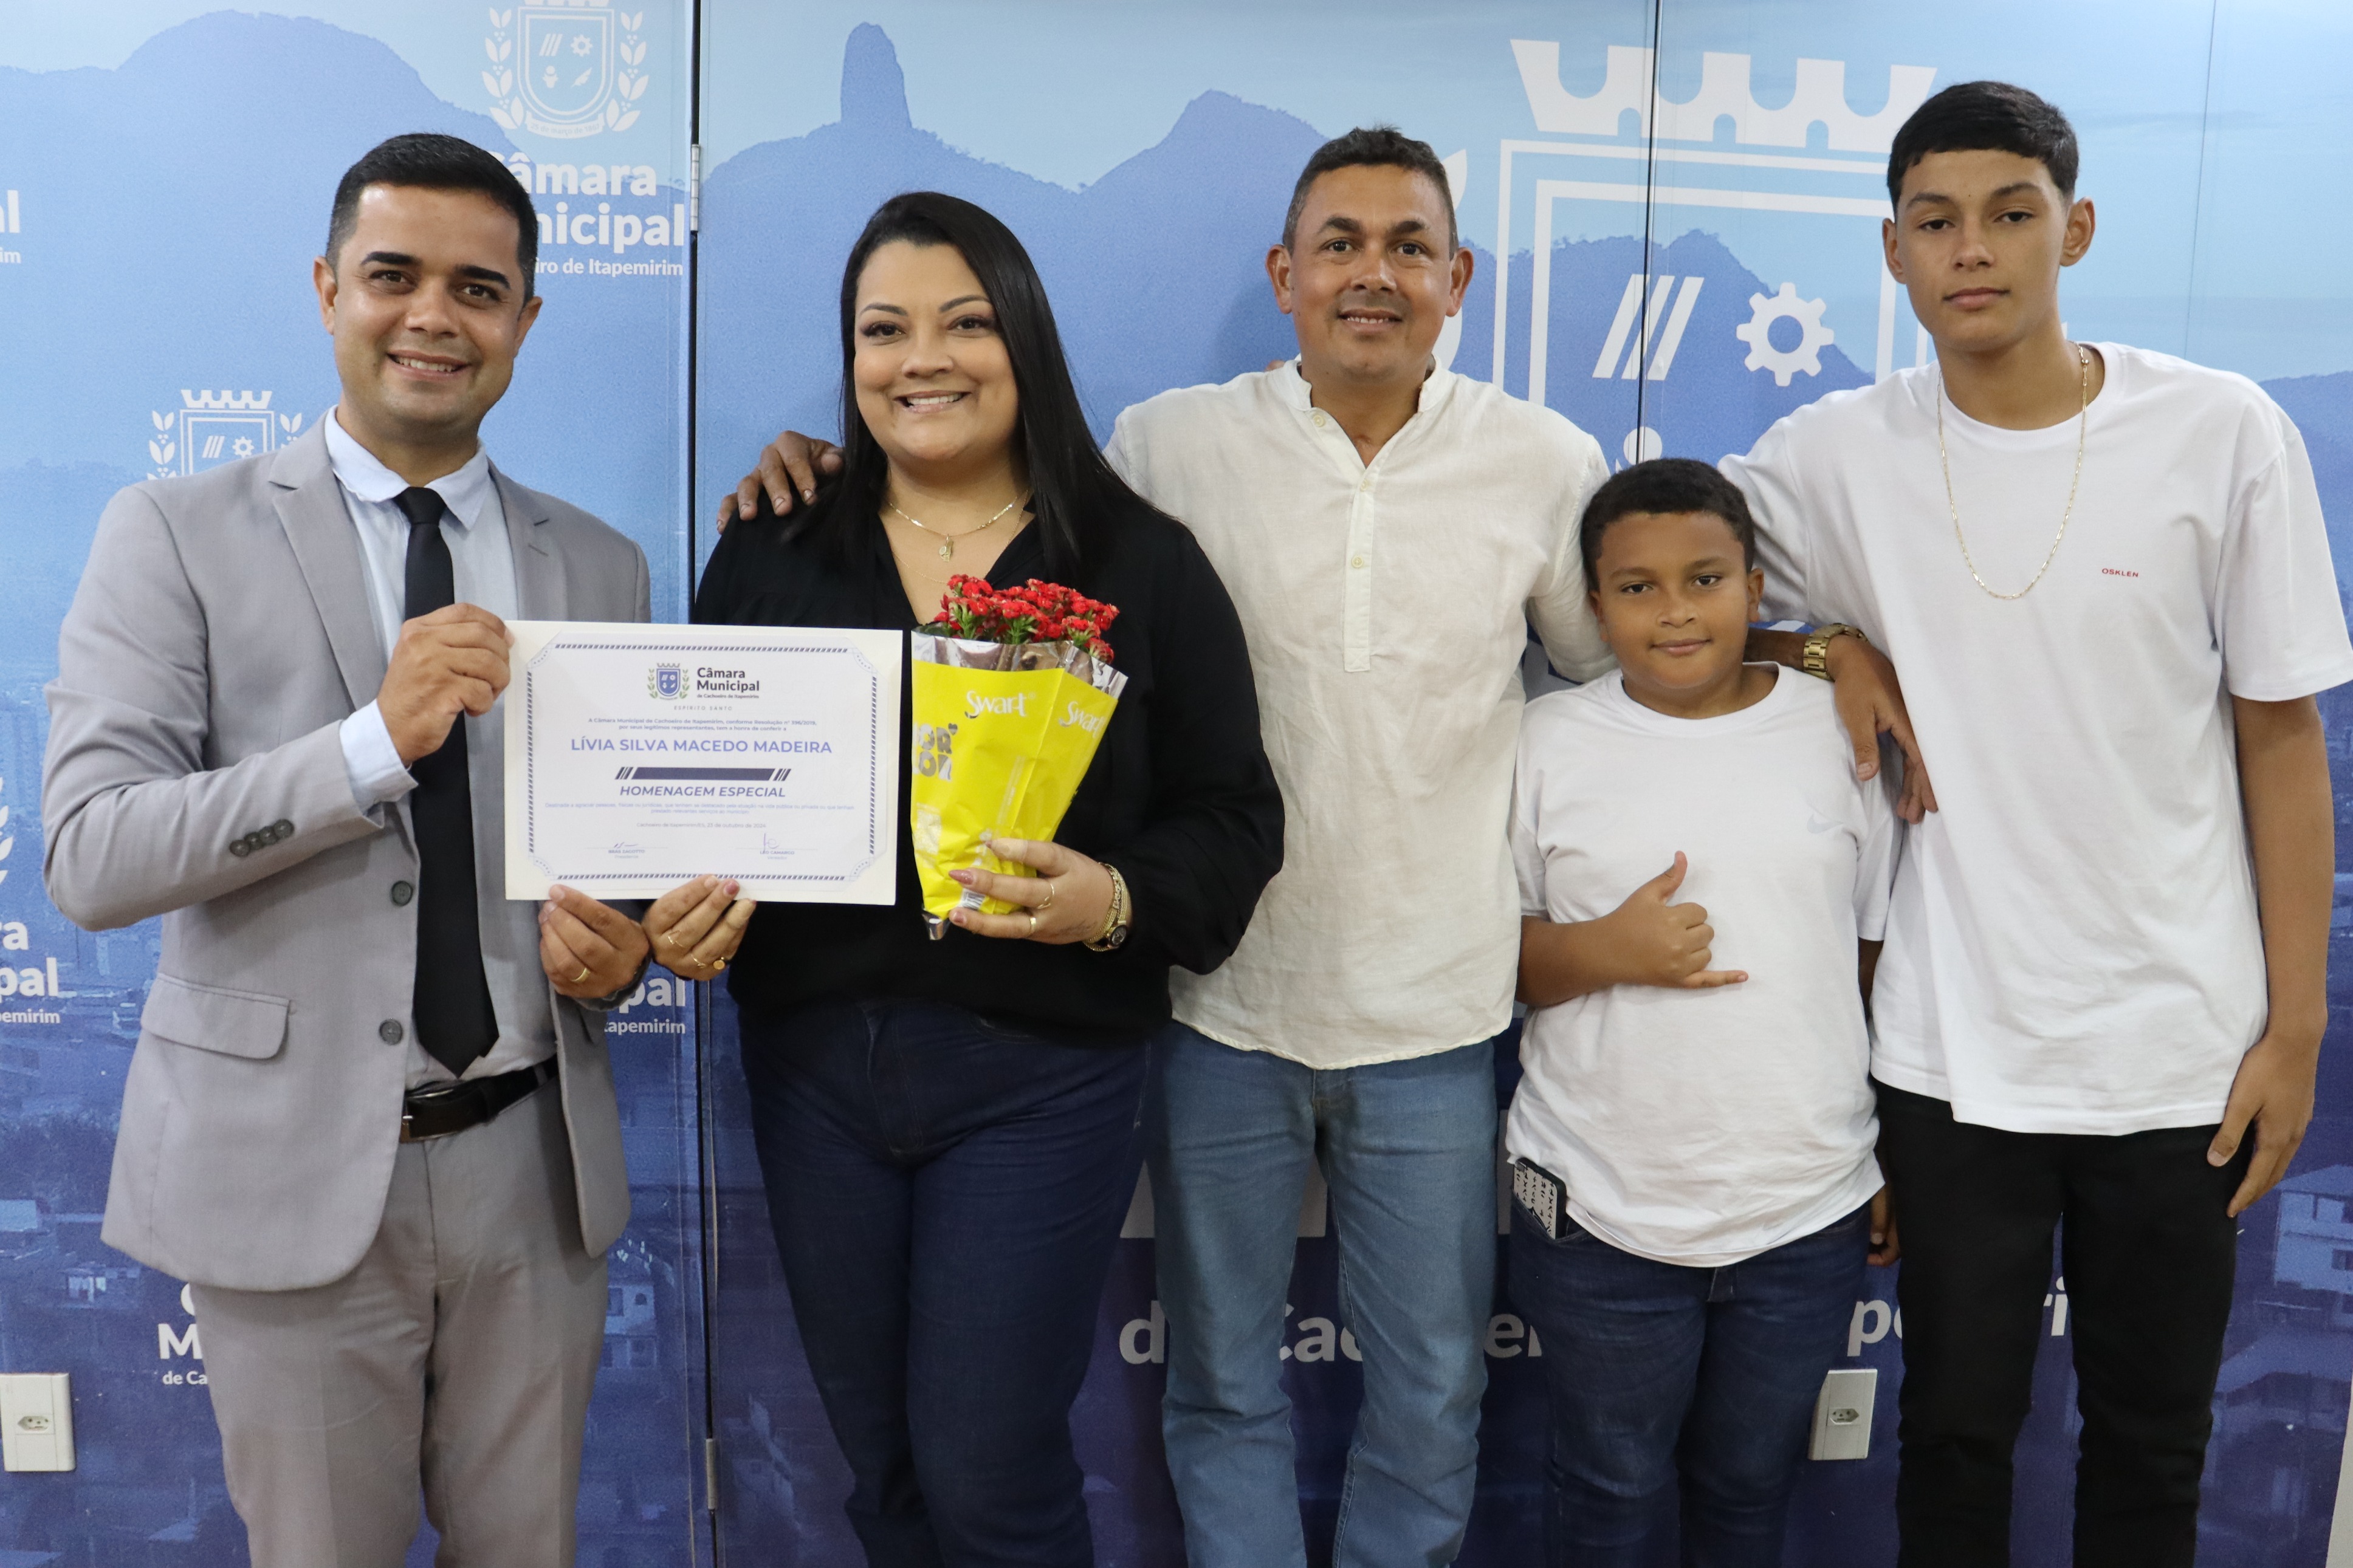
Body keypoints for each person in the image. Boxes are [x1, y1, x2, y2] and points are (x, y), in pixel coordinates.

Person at [732, 127, 1929, 1568]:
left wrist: (1819, 647)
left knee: (1428, 1391)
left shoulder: (1542, 462)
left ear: (1457, 279)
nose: (1375, 273)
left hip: (1438, 1012)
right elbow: (992, 508)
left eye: (1409, 246)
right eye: (1340, 244)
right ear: (1283, 274)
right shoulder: (1167, 448)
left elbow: (1642, 646)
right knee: (1220, 1382)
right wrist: (818, 465)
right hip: (1216, 1010)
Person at [41, 134, 746, 1567]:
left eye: (477, 288)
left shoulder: (598, 563)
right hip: (286, 1173)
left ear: (525, 319)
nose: (433, 315)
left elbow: (604, 871)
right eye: (393, 275)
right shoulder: (173, 531)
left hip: (534, 1172)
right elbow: (94, 854)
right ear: (327, 290)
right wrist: (369, 743)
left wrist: (617, 952)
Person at [1720, 82, 2352, 1566]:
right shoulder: (1831, 451)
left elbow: (2282, 740)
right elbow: (1670, 586)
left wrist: (2297, 1028)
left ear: (2073, 230)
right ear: (1891, 251)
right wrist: (1827, 645)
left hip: (2177, 1053)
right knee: (1951, 1438)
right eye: (1934, 221)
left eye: (2009, 214)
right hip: (1953, 1055)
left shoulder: (2219, 433)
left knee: (2151, 1444)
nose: (1972, 249)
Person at [691, 190, 1282, 1567]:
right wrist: (675, 903)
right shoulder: (777, 541)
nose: (923, 360)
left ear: (1024, 339)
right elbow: (699, 797)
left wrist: (1110, 901)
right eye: (882, 330)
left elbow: (1233, 815)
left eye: (965, 323)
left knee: (989, 1475)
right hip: (813, 1069)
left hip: (1041, 1075)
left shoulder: (1137, 563)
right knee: (883, 1470)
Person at [1506, 457, 1901, 1565]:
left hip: (1803, 1208)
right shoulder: (1546, 740)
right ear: (1593, 608)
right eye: (1637, 588)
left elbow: (1880, 959)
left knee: (1747, 1490)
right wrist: (1607, 949)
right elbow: (1490, 961)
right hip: (1598, 1205)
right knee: (1608, 1492)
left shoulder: (1839, 731)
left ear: (1757, 587)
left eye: (1706, 579)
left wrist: (1891, 1151)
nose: (1675, 611)